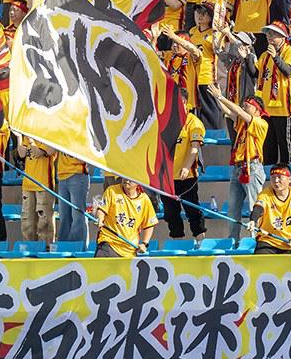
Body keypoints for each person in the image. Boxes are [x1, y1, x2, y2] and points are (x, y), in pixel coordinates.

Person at [211, 85, 267, 237]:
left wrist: (221, 97)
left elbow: (238, 112)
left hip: (252, 167)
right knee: (233, 209)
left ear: (257, 109)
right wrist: (217, 97)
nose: (244, 107)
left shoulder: (261, 123)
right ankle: (233, 240)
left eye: (247, 106)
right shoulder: (242, 123)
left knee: (254, 207)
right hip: (238, 168)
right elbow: (228, 111)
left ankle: (256, 239)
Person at [162, 88, 206, 242]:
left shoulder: (194, 122)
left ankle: (200, 242)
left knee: (193, 211)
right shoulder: (165, 120)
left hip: (186, 176)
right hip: (167, 178)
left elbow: (195, 148)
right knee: (171, 214)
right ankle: (178, 244)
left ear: (185, 102)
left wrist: (186, 167)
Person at [256, 21, 291, 164]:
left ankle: (288, 172)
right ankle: (269, 173)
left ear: (283, 37)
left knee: (286, 148)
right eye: (268, 34)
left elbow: (288, 71)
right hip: (266, 108)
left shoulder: (290, 52)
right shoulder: (265, 55)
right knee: (268, 148)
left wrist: (276, 57)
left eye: (273, 34)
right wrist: (246, 57)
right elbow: (255, 73)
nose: (269, 36)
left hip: (282, 108)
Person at [249, 165, 291, 253]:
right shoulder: (265, 195)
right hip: (267, 242)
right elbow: (259, 208)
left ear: (289, 179)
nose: (276, 181)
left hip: (289, 243)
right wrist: (253, 220)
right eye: (273, 177)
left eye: (280, 177)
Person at [93, 177, 157, 258]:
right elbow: (102, 209)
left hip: (130, 250)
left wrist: (144, 243)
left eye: (131, 178)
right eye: (125, 177)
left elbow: (149, 224)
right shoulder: (111, 191)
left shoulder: (144, 199)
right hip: (108, 243)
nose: (127, 180)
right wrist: (100, 218)